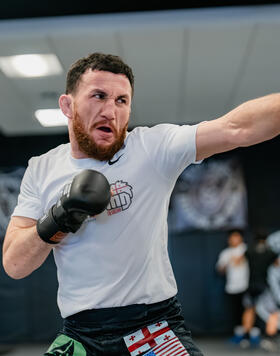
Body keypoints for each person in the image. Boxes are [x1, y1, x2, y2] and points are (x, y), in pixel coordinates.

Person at [2, 52, 280, 356]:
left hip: (152, 327)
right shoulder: (42, 168)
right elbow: (15, 264)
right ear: (68, 105)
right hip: (80, 336)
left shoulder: (152, 148)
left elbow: (236, 129)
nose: (110, 110)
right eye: (98, 96)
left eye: (121, 100)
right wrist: (59, 218)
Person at [238, 230, 279, 348]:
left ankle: (245, 338)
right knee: (273, 312)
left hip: (251, 285)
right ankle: (269, 338)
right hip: (264, 285)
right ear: (266, 240)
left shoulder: (249, 250)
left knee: (249, 310)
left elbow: (240, 260)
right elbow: (277, 264)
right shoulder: (270, 251)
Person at [216, 229, 249, 340]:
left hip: (247, 286)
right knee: (236, 312)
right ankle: (239, 335)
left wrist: (242, 259)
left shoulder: (246, 250)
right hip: (232, 287)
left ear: (241, 238)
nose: (234, 239)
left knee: (249, 310)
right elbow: (220, 270)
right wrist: (227, 263)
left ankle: (250, 335)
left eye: (237, 237)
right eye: (232, 237)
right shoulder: (226, 253)